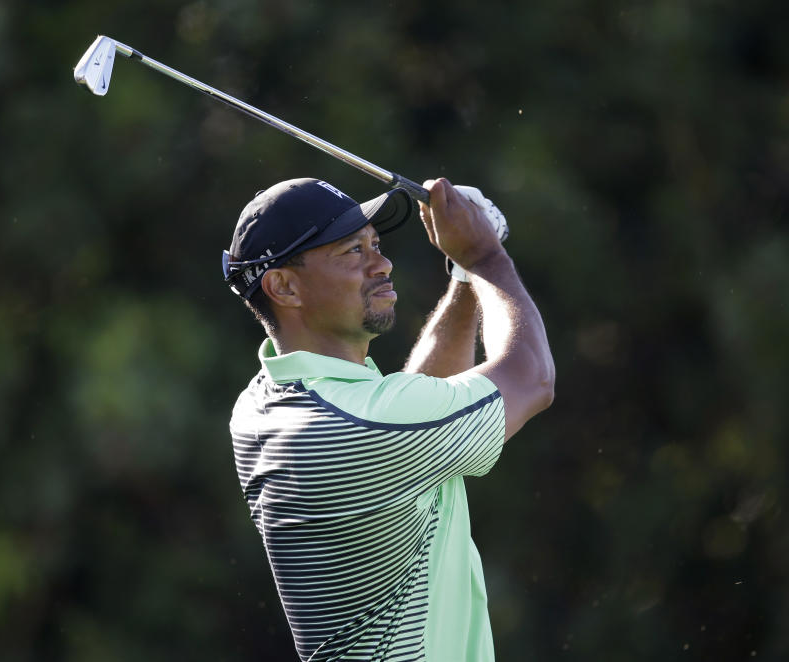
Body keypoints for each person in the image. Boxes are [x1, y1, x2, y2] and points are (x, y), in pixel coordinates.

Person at [223, 177, 554, 662]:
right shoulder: (358, 424)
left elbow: (419, 414)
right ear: (284, 287)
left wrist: (465, 277)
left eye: (375, 244)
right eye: (352, 252)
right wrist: (486, 258)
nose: (382, 264)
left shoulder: (263, 404)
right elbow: (532, 378)